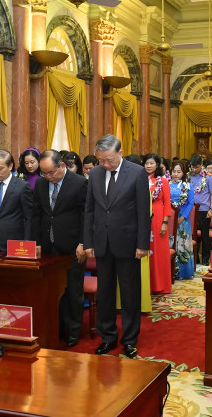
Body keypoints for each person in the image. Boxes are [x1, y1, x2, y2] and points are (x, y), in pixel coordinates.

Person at [83, 134, 150, 359]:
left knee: (130, 293)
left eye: (109, 160)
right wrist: (88, 242)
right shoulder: (95, 173)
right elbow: (89, 210)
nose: (105, 164)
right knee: (105, 292)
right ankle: (108, 337)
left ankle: (130, 340)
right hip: (102, 242)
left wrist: (142, 244)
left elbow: (143, 211)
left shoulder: (137, 172)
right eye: (101, 160)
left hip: (128, 243)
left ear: (120, 153)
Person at [33, 149, 87, 347]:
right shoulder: (40, 184)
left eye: (51, 172)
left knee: (73, 290)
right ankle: (54, 329)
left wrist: (83, 243)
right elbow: (36, 214)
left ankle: (72, 331)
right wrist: (36, 243)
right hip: (48, 246)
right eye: (44, 173)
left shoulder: (79, 183)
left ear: (62, 166)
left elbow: (85, 216)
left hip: (72, 247)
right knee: (49, 291)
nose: (48, 177)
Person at [0, 150, 33, 253]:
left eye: (0, 168)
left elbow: (29, 218)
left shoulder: (22, 187)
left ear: (10, 166)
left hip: (14, 244)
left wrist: (26, 243)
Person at [144, 153, 172, 294]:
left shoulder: (162, 181)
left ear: (157, 165)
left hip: (158, 219)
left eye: (152, 163)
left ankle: (160, 285)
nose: (149, 166)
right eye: (146, 163)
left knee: (158, 253)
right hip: (143, 218)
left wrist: (165, 222)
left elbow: (167, 203)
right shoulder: (140, 179)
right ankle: (146, 285)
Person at [190, 154, 212, 265]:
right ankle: (195, 258)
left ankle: (205, 259)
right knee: (193, 234)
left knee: (205, 235)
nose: (194, 169)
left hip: (204, 209)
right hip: (191, 210)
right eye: (192, 167)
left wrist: (211, 209)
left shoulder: (208, 177)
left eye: (196, 167)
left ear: (201, 164)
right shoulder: (189, 176)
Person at [170, 160, 195, 279]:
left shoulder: (188, 186)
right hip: (169, 218)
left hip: (183, 219)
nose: (176, 174)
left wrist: (182, 217)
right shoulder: (166, 184)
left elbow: (190, 203)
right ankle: (170, 271)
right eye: (174, 171)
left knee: (183, 244)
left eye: (178, 172)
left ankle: (183, 272)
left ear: (184, 173)